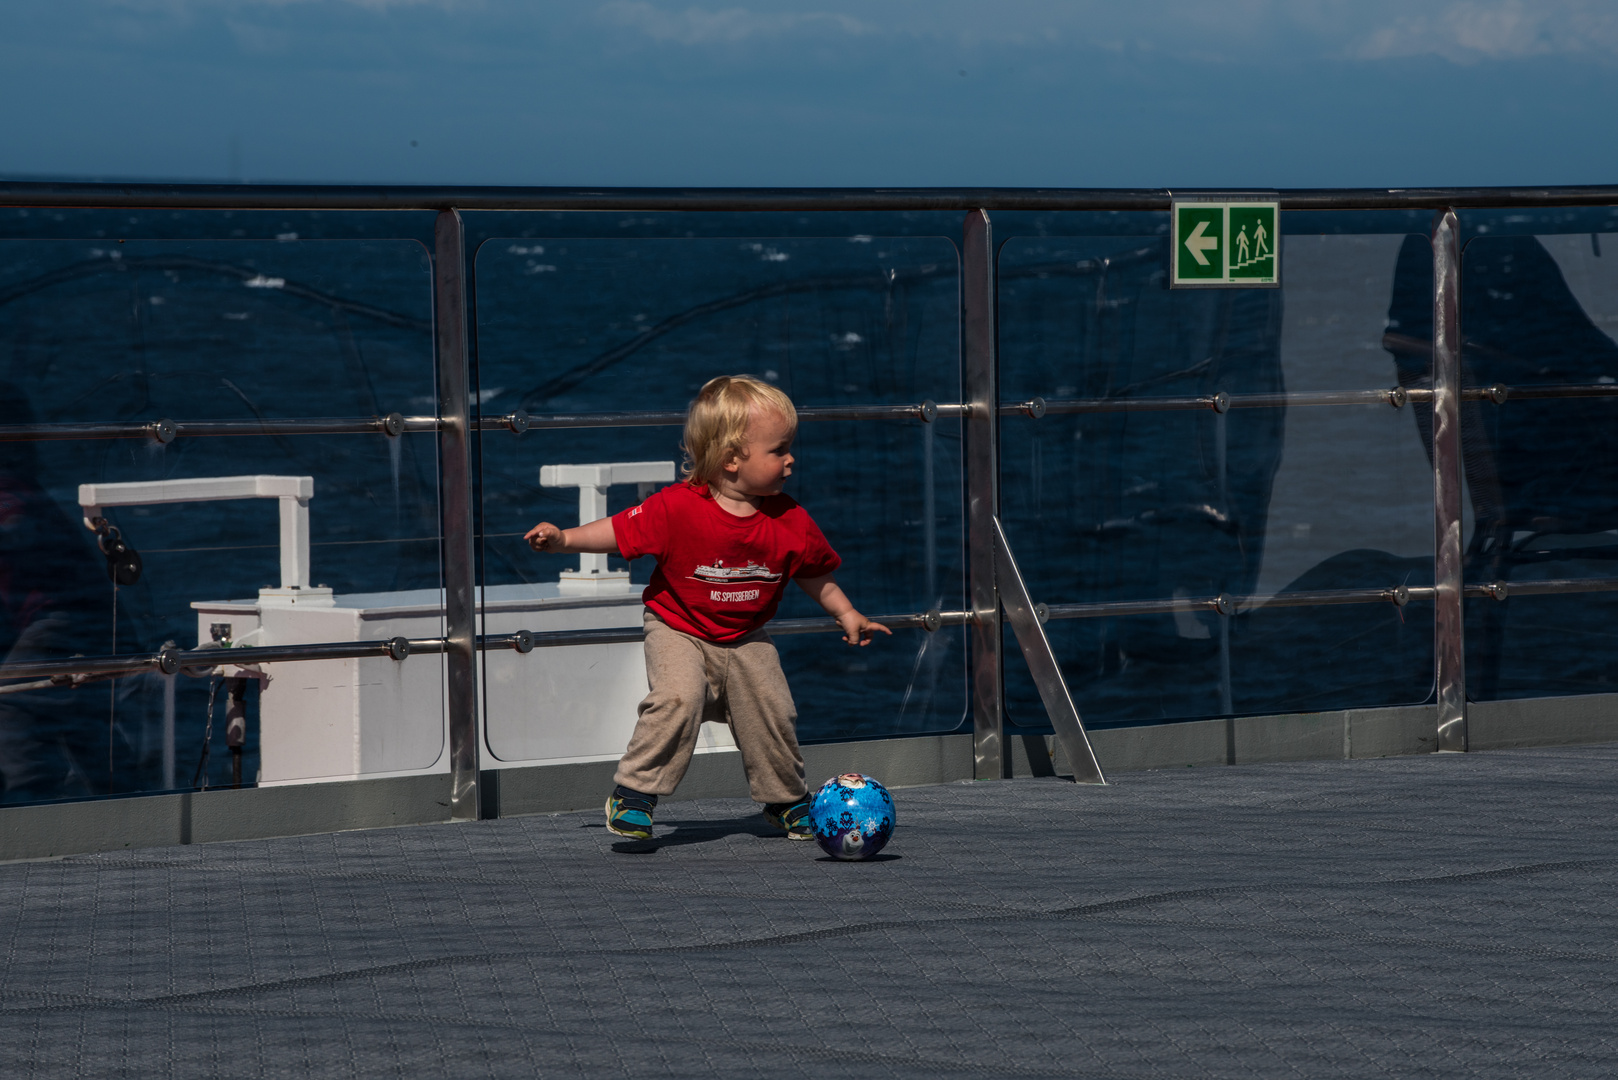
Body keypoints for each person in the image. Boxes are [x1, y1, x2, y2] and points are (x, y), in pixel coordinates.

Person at [524, 375, 890, 842]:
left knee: (773, 709)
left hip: (746, 635)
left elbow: (813, 572)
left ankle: (784, 800)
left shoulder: (790, 519)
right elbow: (618, 532)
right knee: (678, 699)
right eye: (778, 450)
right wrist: (563, 540)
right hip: (678, 627)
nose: (790, 459)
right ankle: (634, 794)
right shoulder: (677, 508)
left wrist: (846, 612)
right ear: (733, 459)